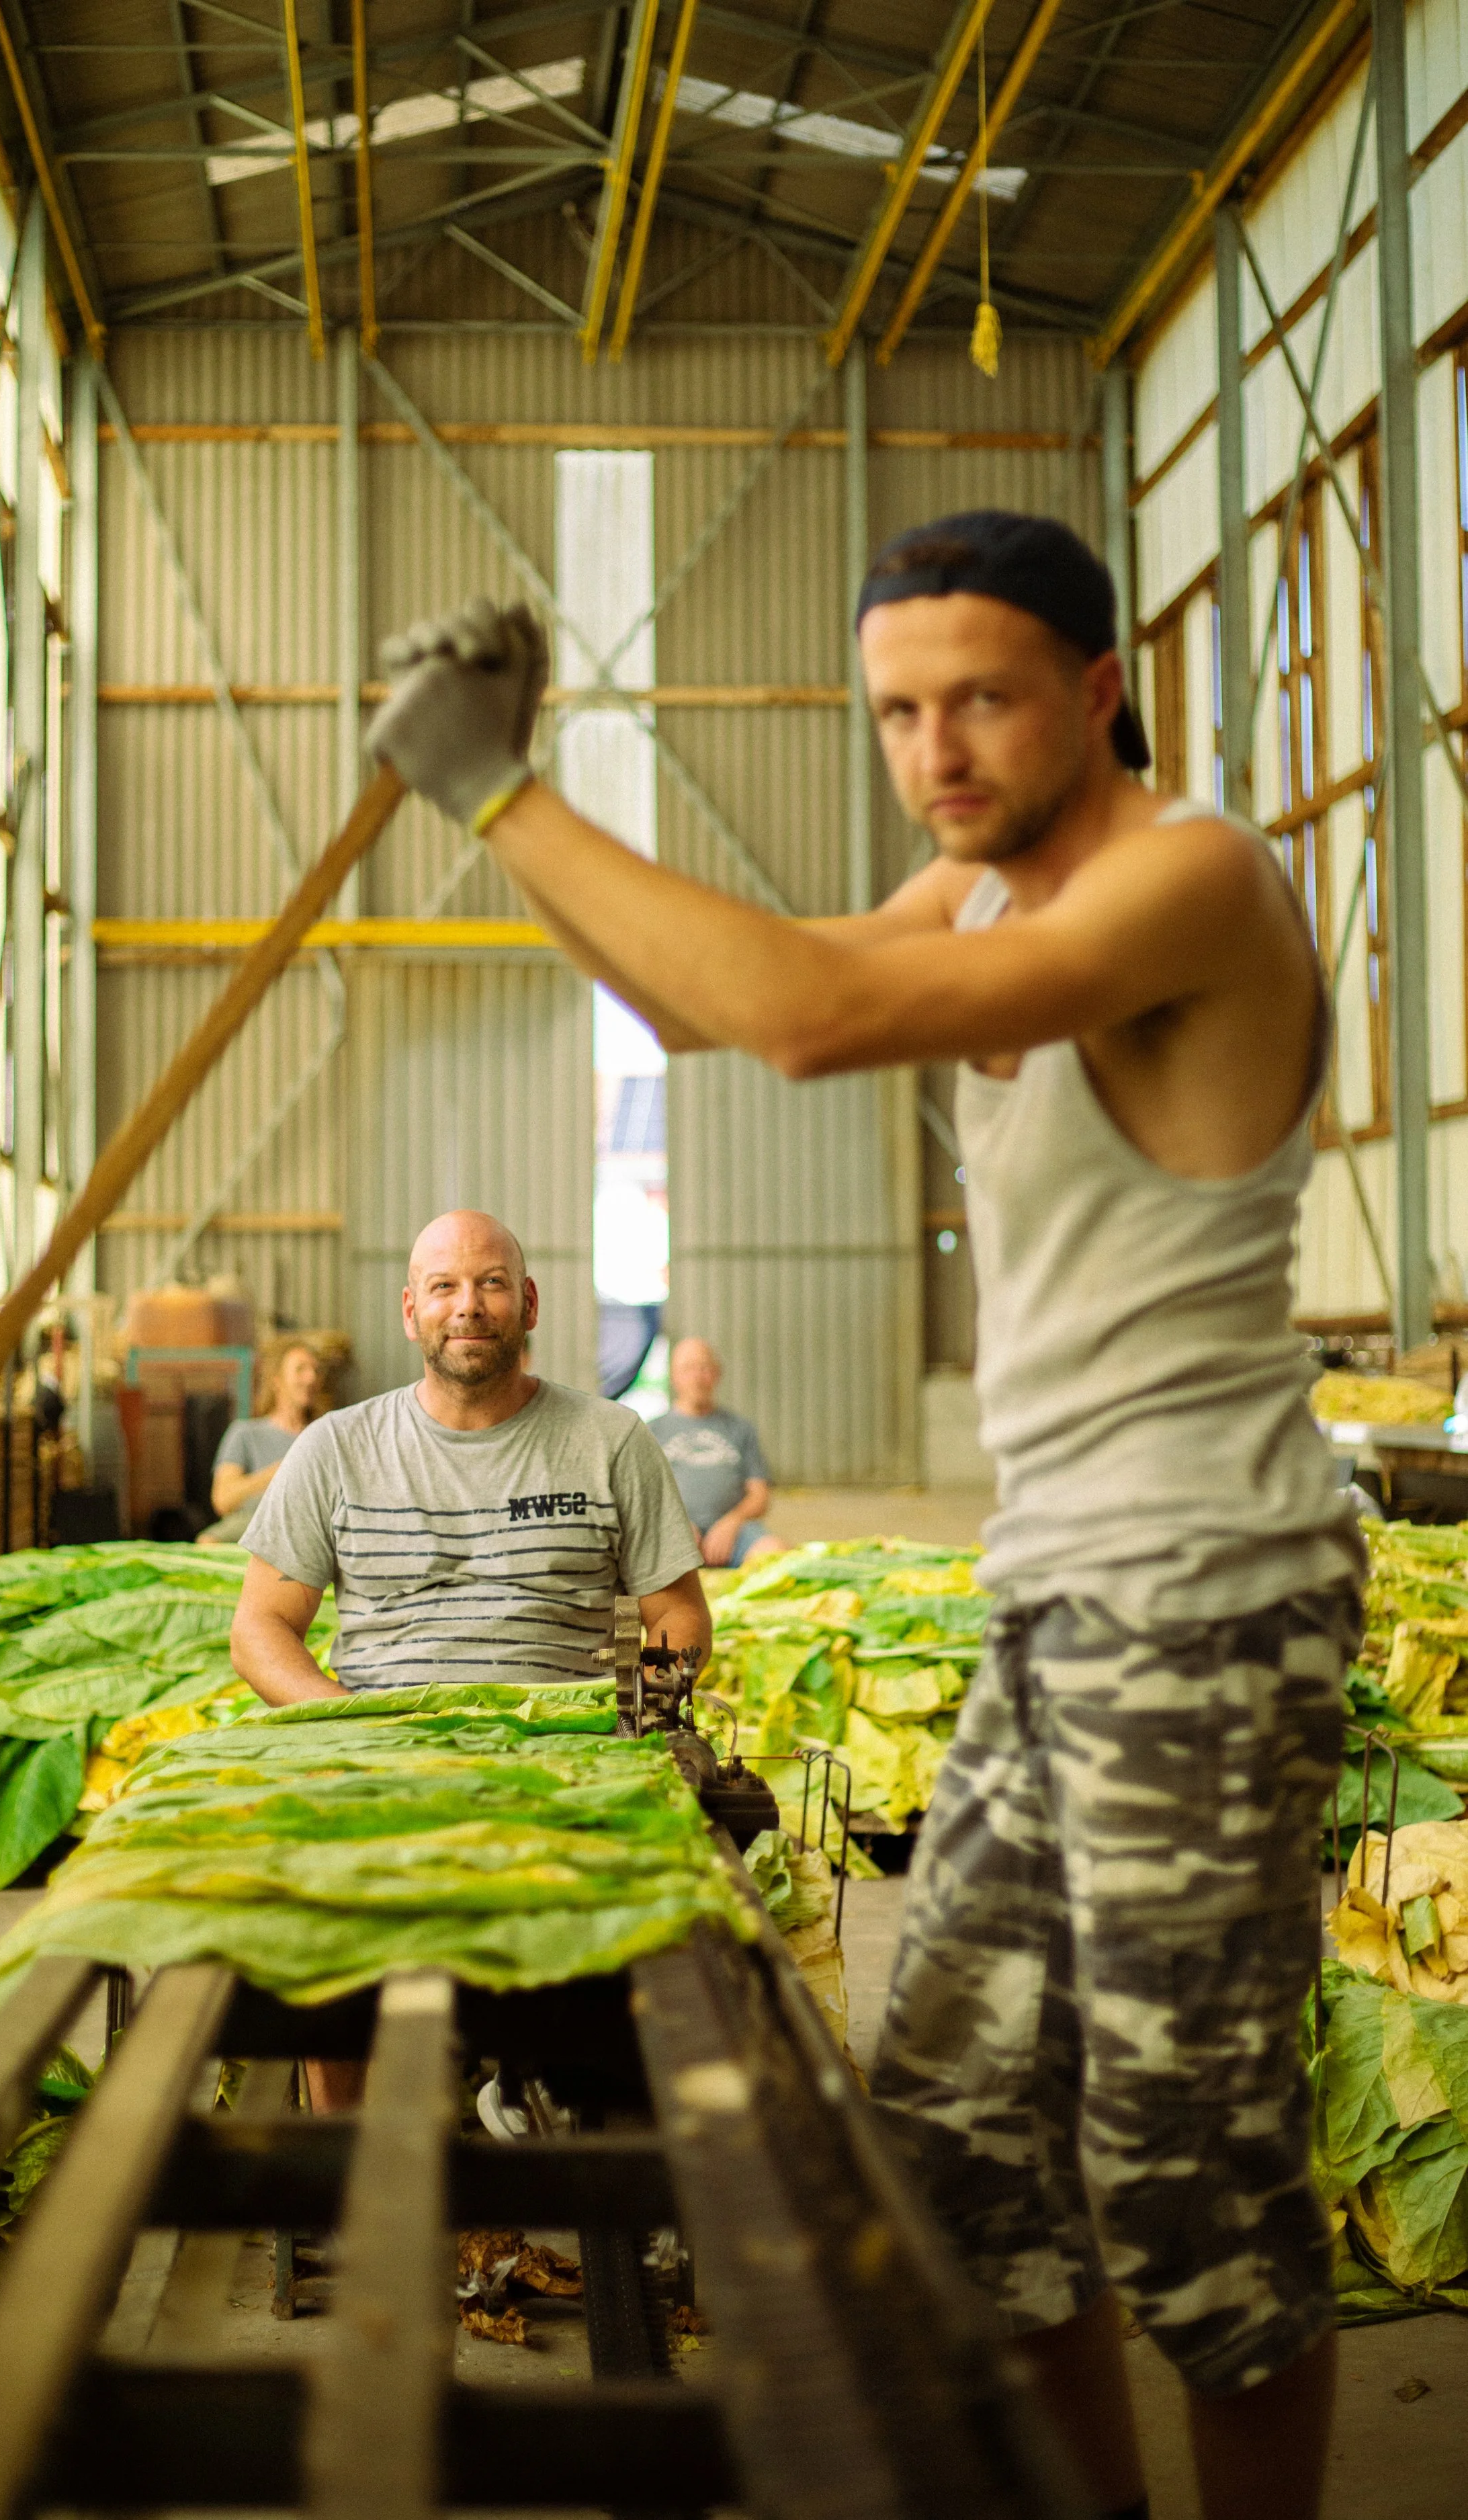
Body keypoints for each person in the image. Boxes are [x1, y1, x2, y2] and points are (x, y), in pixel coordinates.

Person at [363, 519, 1366, 2520]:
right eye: (896, 710)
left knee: (1186, 2177)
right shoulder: (979, 886)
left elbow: (810, 1011)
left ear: (1092, 687)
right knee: (962, 2145)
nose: (934, 748)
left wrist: (495, 782)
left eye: (979, 698)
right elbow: (724, 1002)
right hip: (1056, 1598)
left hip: (1205, 1603)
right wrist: (505, 802)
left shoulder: (1188, 875)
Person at [229, 1208, 707, 1704]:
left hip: (564, 1757)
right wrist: (344, 1720)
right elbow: (260, 1628)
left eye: (493, 1283)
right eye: (444, 1287)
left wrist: (641, 1710)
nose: (469, 1306)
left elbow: (679, 1615)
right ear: (410, 1313)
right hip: (383, 1758)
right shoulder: (336, 1448)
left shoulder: (612, 1440)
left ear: (530, 1304)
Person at [648, 1337, 783, 1566]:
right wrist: (675, 1525)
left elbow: (760, 1496)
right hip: (672, 1531)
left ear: (717, 1374)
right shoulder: (652, 1431)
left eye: (705, 1368)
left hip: (735, 1531)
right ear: (673, 1376)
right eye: (688, 1369)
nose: (698, 1377)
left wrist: (732, 1523)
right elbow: (640, 1498)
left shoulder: (741, 1429)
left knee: (778, 1555)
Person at [198, 1340, 322, 1545]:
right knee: (208, 1541)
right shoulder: (245, 1434)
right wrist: (276, 1474)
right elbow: (223, 1500)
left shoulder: (323, 1437)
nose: (311, 1378)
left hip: (305, 1532)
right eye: (301, 1370)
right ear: (277, 1381)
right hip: (252, 1527)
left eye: (315, 1371)